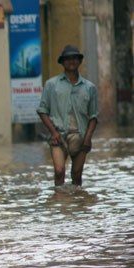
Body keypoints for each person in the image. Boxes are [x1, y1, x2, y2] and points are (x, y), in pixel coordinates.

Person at [37, 45, 99, 187]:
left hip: (80, 136)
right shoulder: (51, 85)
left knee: (77, 175)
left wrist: (88, 138)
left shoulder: (90, 88)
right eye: (68, 59)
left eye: (75, 58)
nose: (71, 61)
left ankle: (77, 205)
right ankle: (60, 205)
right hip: (58, 135)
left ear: (79, 61)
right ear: (62, 62)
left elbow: (93, 116)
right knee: (59, 171)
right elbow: (42, 110)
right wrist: (53, 132)